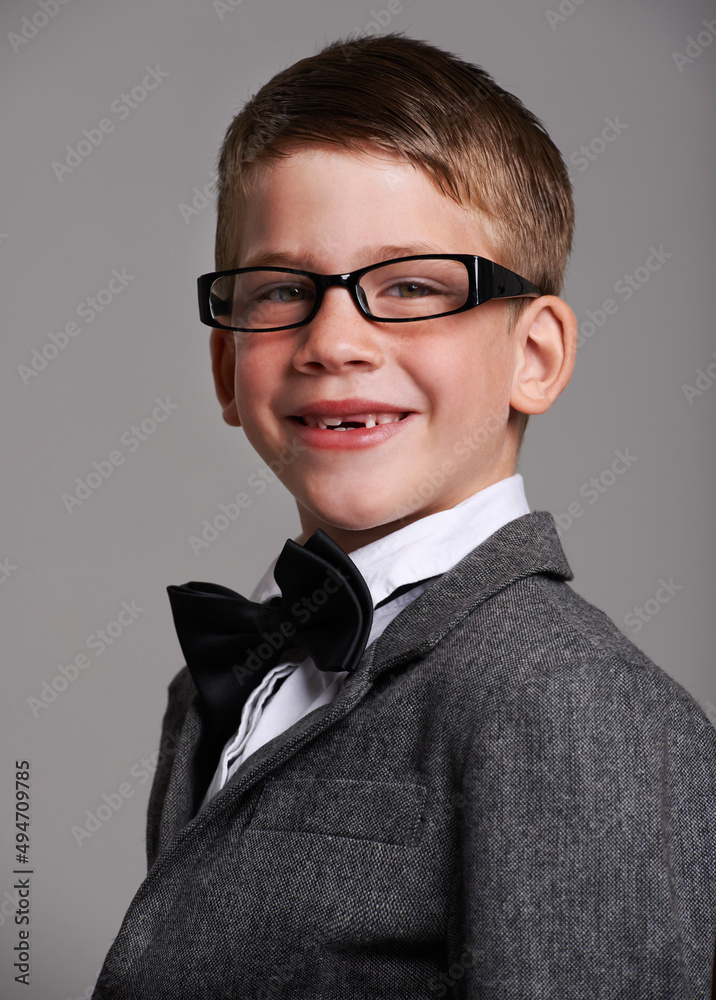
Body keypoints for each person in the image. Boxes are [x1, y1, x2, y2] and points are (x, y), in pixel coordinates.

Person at [92, 32, 716, 999]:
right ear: (225, 367)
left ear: (536, 357)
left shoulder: (571, 703)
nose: (334, 340)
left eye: (413, 287)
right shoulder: (215, 684)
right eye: (282, 292)